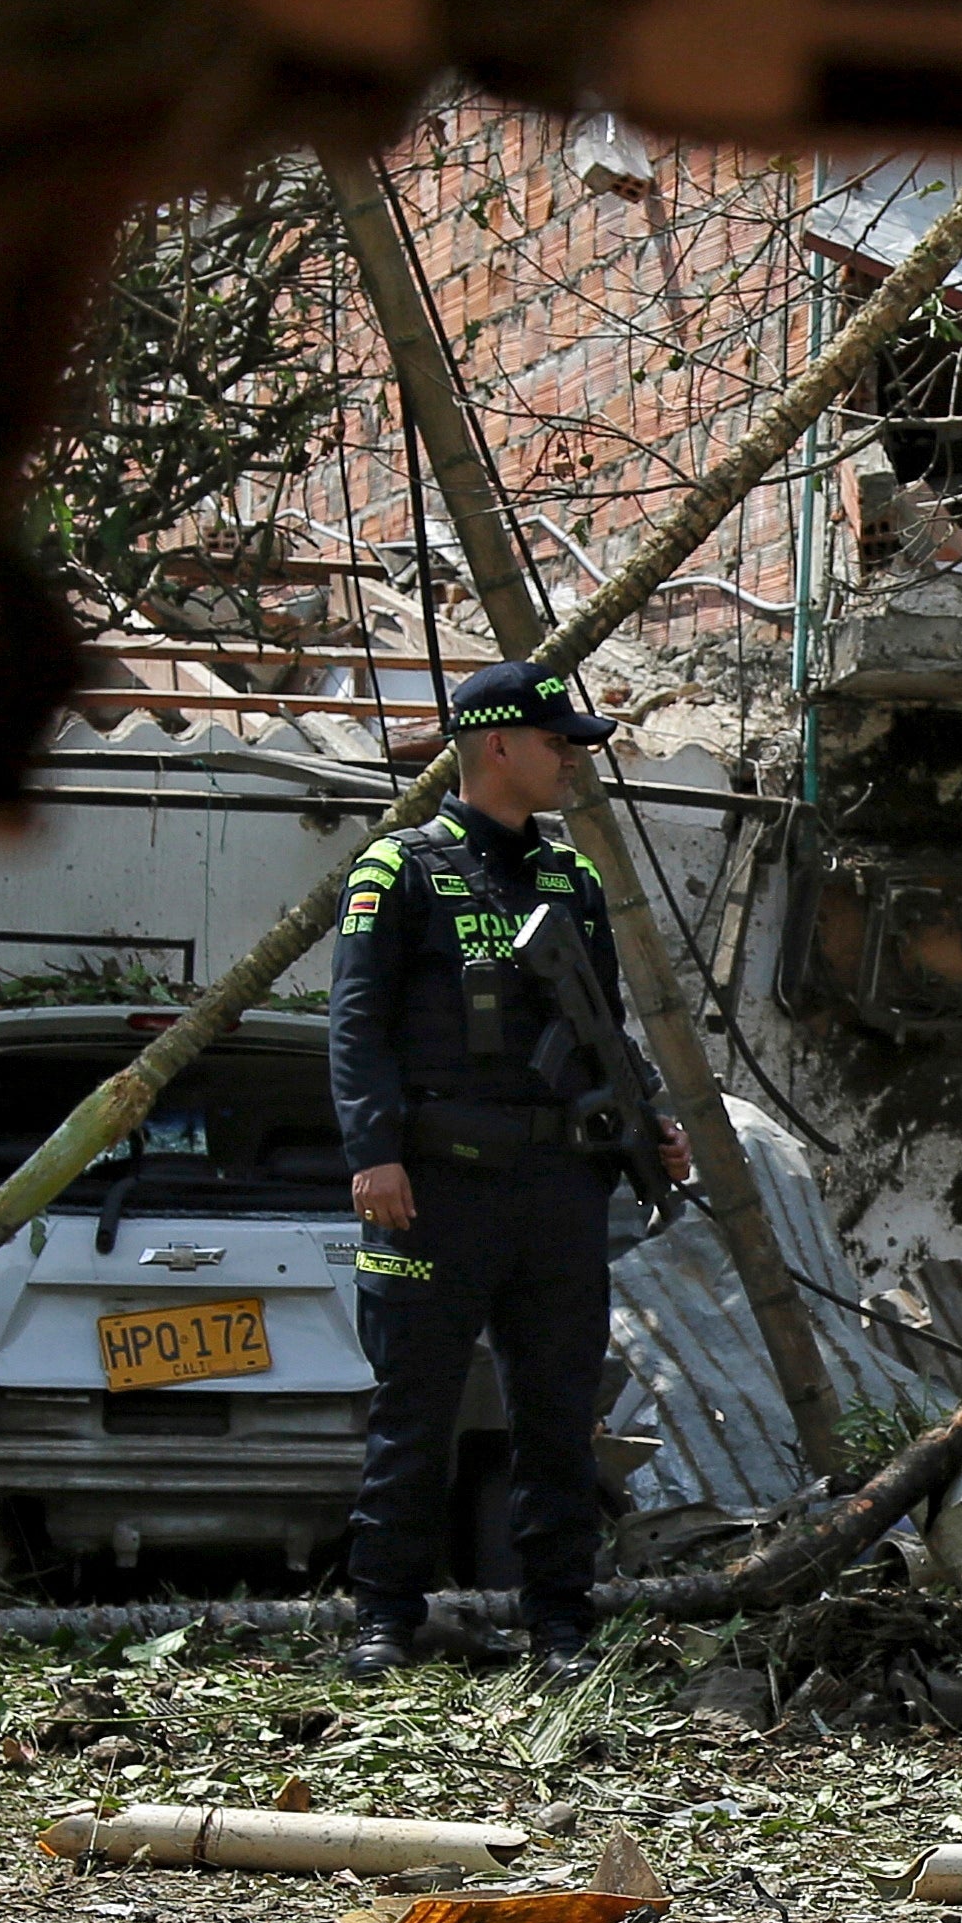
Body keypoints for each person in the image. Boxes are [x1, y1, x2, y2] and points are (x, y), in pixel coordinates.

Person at [327, 662, 686, 1674]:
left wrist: (648, 1121)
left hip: (557, 1191)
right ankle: (384, 1623)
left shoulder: (573, 879)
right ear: (496, 745)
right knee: (414, 1414)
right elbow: (355, 1029)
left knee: (559, 1417)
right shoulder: (397, 870)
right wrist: (376, 1153)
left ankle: (560, 1626)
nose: (572, 758)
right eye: (557, 741)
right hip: (434, 1188)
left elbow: (602, 1033)